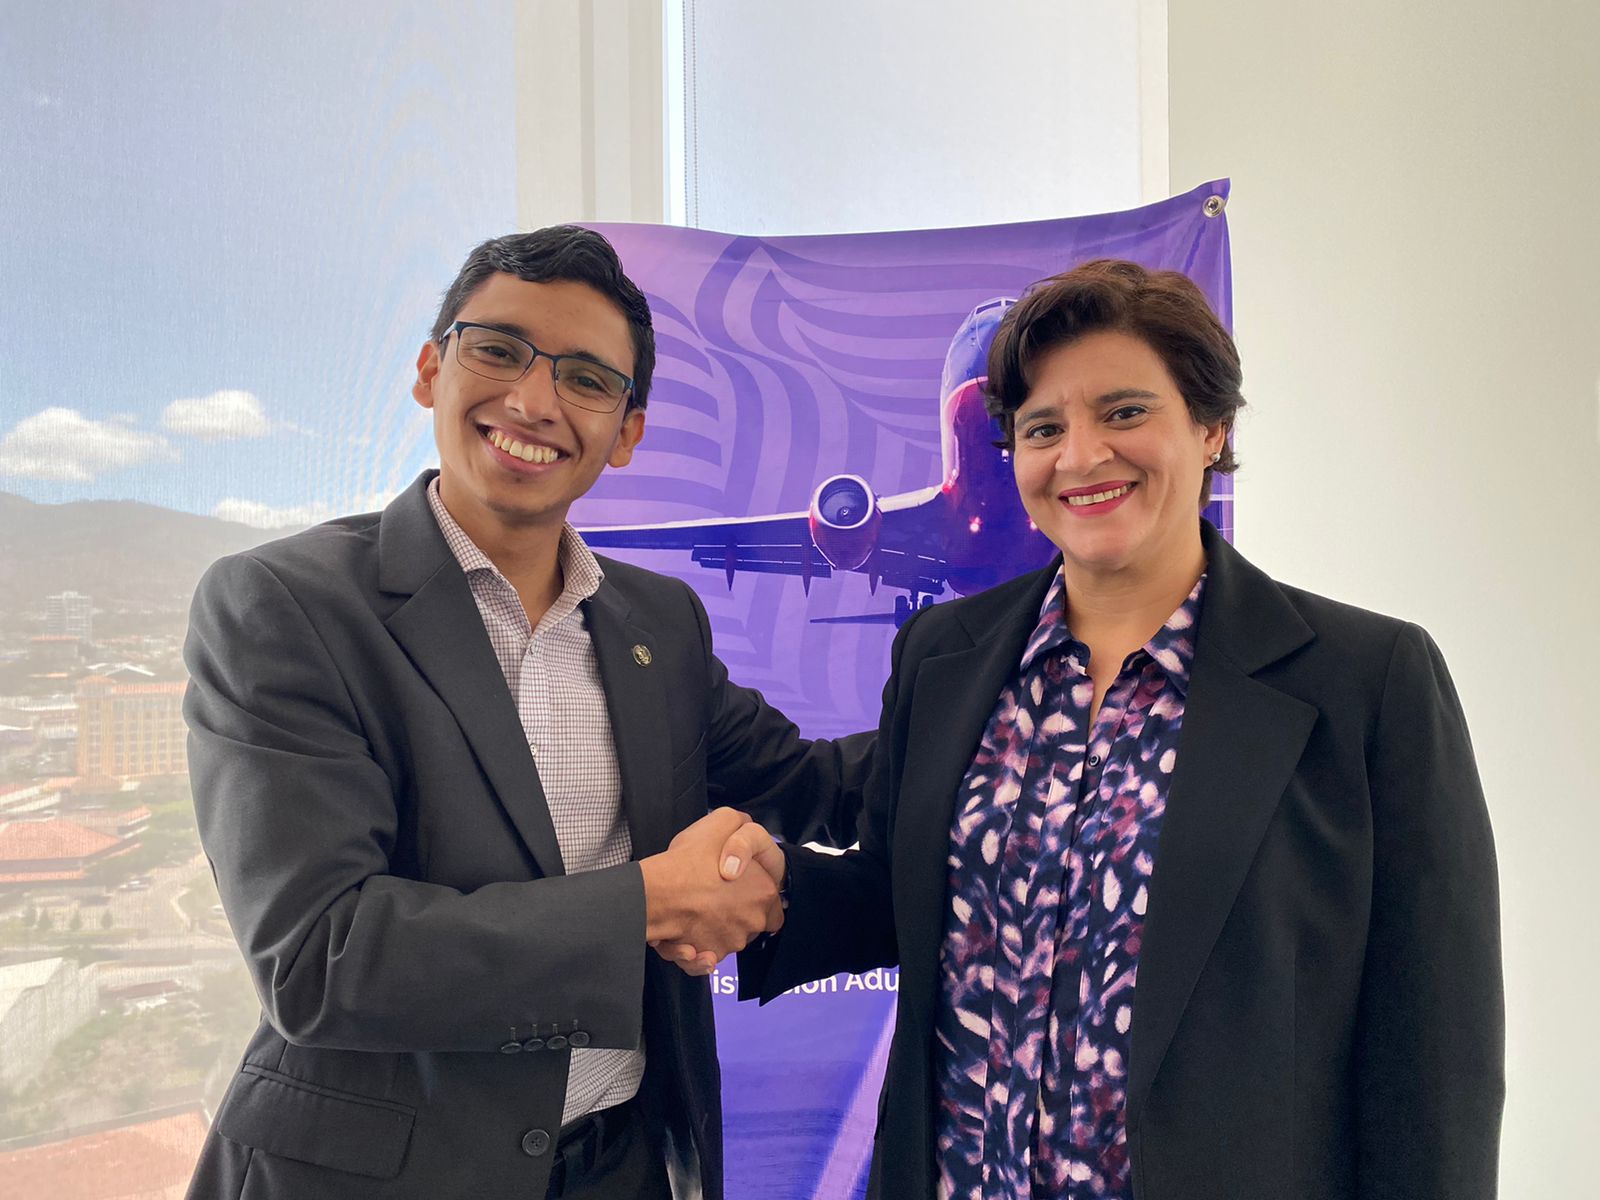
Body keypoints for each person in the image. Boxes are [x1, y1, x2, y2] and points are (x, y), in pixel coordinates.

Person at [730, 259, 1504, 1199]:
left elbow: (1436, 1051)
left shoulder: (1364, 683)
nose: (1081, 456)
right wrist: (764, 891)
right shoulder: (946, 657)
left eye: (1125, 412)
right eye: (1043, 428)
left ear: (1212, 428)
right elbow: (909, 896)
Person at [182, 226, 868, 1200]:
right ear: (431, 371)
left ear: (626, 433)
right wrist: (649, 901)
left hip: (623, 1166)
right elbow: (322, 959)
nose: (534, 401)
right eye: (499, 350)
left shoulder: (657, 624)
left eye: (586, 379)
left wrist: (1041, 684)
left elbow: (816, 786)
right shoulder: (285, 606)